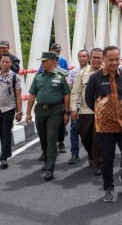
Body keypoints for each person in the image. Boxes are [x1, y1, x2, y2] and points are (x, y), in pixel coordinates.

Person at [85, 46, 122, 203]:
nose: (114, 62)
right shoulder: (95, 78)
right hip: (105, 126)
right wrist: (102, 111)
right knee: (107, 158)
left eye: (116, 59)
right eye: (110, 59)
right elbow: (89, 99)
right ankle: (108, 187)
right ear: (104, 60)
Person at [25, 52, 71, 181]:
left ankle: (50, 168)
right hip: (40, 110)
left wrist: (67, 112)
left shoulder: (60, 76)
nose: (42, 63)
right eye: (42, 61)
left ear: (52, 61)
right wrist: (28, 113)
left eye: (45, 61)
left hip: (55, 110)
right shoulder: (38, 77)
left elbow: (66, 94)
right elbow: (32, 95)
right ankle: (46, 158)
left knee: (51, 139)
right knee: (43, 138)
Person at [70, 48, 104, 175]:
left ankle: (97, 164)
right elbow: (75, 92)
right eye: (94, 57)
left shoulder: (107, 72)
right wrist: (73, 108)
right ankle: (91, 154)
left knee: (97, 138)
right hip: (85, 111)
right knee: (85, 137)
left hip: (101, 112)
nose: (97, 60)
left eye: (99, 58)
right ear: (90, 58)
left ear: (103, 59)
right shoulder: (83, 73)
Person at [66, 49, 89, 165]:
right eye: (80, 56)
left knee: (89, 132)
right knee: (74, 130)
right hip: (77, 106)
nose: (82, 58)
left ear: (88, 58)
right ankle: (74, 154)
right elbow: (69, 90)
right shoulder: (73, 72)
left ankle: (91, 154)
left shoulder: (93, 71)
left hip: (89, 107)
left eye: (85, 56)